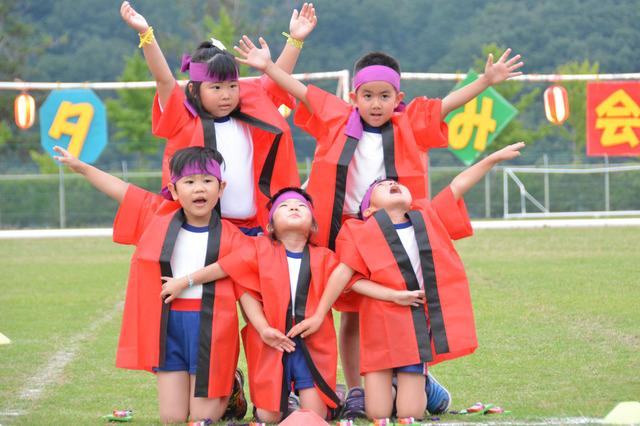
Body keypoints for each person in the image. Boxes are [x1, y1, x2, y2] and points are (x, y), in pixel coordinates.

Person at [234, 35, 523, 415]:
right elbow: (302, 92)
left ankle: (412, 377)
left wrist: (485, 82)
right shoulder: (337, 118)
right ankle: (355, 387)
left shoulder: (409, 124)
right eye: (367, 95)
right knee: (348, 311)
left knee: (397, 310)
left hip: (393, 232)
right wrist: (268, 67)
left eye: (385, 96)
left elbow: (446, 105)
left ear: (397, 98)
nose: (376, 103)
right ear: (354, 96)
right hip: (346, 231)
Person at [287, 142, 526, 421]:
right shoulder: (358, 230)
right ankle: (397, 383)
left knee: (410, 413)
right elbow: (348, 277)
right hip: (378, 329)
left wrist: (492, 159)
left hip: (413, 329)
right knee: (378, 412)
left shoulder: (427, 218)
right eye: (383, 185)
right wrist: (388, 296)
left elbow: (457, 186)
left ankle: (421, 384)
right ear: (369, 210)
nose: (392, 183)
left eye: (394, 182)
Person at [53, 145, 248, 423]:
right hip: (168, 325)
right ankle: (223, 388)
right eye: (189, 182)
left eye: (207, 181)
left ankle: (228, 390)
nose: (199, 189)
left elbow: (242, 266)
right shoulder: (158, 216)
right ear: (175, 189)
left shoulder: (234, 235)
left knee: (201, 420)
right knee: (172, 418)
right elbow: (122, 190)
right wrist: (83, 168)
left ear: (221, 187)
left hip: (212, 328)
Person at [119, 1, 318, 234]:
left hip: (256, 228)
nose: (227, 95)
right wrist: (146, 33)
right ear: (194, 90)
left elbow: (277, 80)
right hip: (203, 230)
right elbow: (164, 80)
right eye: (216, 88)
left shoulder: (251, 107)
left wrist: (295, 40)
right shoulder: (182, 116)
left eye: (232, 86)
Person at [162, 187, 351, 422]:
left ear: (313, 225)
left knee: (314, 415)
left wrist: (395, 295)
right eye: (284, 206)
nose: (293, 207)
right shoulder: (258, 249)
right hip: (270, 341)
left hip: (312, 341)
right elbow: (227, 270)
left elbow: (349, 276)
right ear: (270, 227)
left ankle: (326, 397)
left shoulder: (325, 256)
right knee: (268, 416)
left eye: (302, 206)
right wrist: (185, 281)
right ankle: (268, 397)